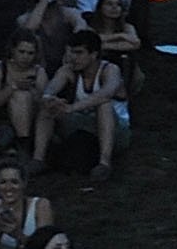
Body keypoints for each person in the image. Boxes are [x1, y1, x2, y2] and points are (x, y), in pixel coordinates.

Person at [36, 29, 130, 181]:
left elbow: (105, 94)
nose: (73, 58)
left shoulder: (110, 70)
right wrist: (49, 99)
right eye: (72, 52)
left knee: (103, 105)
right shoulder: (68, 70)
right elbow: (51, 88)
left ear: (93, 55)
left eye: (79, 53)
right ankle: (38, 159)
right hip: (81, 125)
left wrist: (72, 108)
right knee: (48, 106)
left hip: (115, 130)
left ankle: (104, 163)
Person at [0, 32, 50, 154]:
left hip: (31, 117)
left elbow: (44, 100)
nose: (25, 57)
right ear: (13, 50)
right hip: (0, 119)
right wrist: (12, 87)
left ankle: (23, 144)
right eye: (21, 52)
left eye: (30, 53)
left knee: (22, 96)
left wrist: (31, 90)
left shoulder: (39, 71)